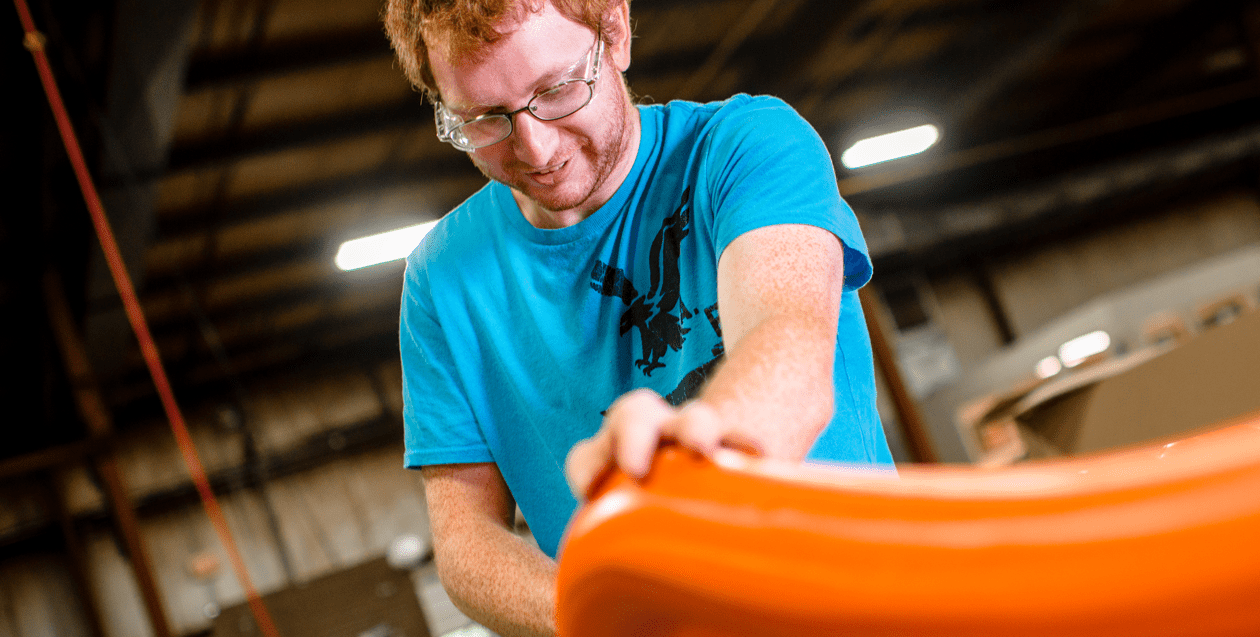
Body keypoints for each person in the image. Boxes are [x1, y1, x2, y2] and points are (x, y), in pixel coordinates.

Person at [385, 0, 894, 634]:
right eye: (485, 119)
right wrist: (602, 612)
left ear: (616, 32)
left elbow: (785, 344)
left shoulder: (745, 146)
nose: (536, 148)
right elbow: (465, 542)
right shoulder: (441, 276)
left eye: (557, 89)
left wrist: (696, 453)